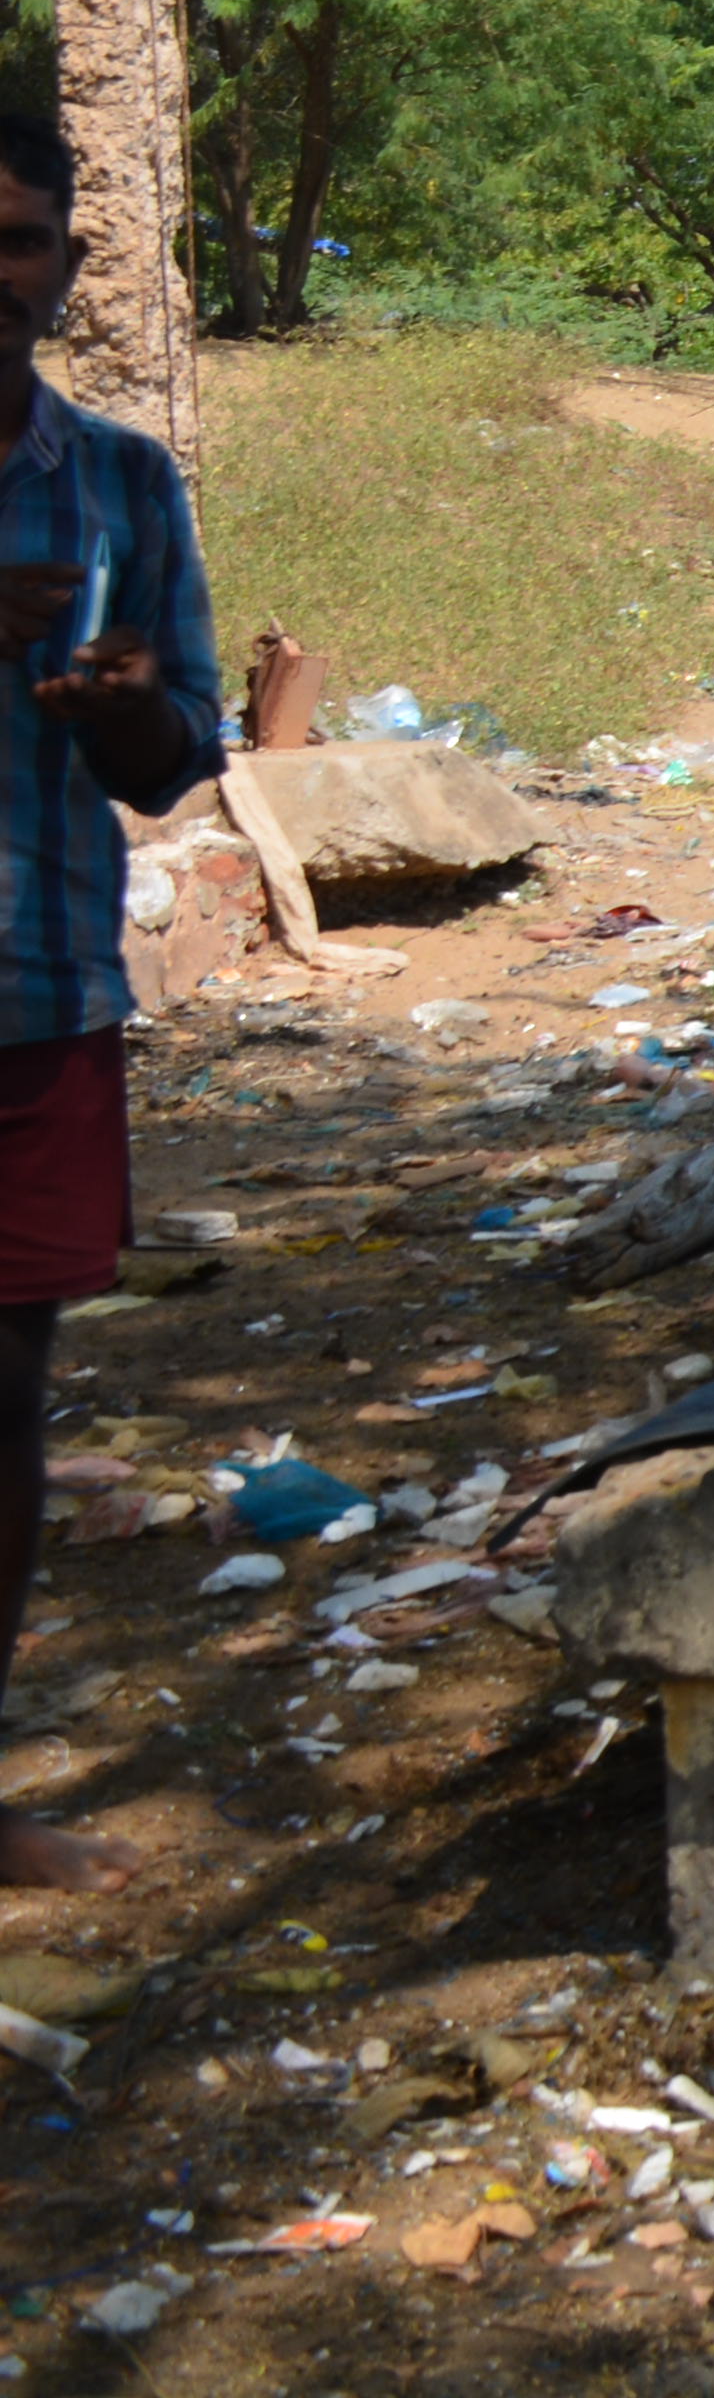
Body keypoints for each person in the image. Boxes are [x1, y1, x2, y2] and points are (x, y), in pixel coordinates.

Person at [0, 108, 220, 1891]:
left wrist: (125, 703)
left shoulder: (120, 484)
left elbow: (174, 763)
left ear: (66, 267)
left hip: (34, 996)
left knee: (5, 1397)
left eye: (16, 240)